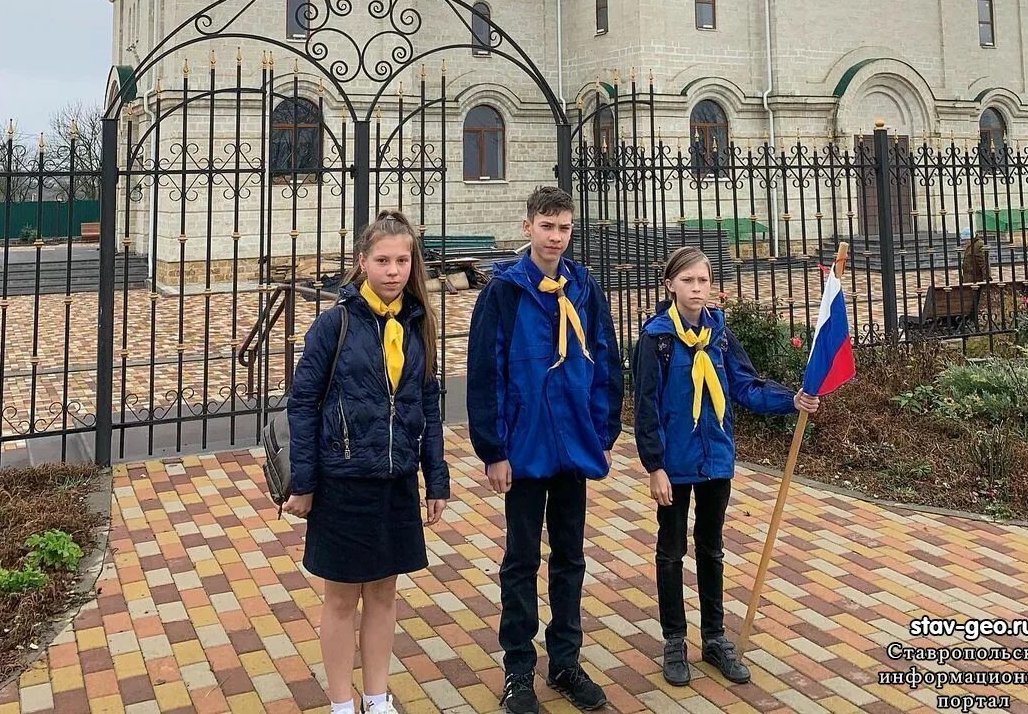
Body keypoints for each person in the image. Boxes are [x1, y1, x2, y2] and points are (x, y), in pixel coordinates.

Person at [285, 210, 450, 714]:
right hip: (344, 481)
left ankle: (377, 697)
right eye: (382, 260)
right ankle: (340, 702)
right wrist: (306, 481)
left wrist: (435, 479)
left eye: (403, 260)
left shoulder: (419, 326)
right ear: (362, 263)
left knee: (382, 594)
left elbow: (429, 403)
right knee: (340, 598)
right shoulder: (334, 325)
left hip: (396, 480)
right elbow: (303, 403)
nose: (394, 270)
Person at [633, 246, 820, 688]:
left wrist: (790, 400)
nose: (697, 289)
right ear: (670, 286)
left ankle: (714, 638)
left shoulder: (718, 333)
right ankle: (675, 641)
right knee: (671, 550)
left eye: (703, 280)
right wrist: (654, 466)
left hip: (716, 458)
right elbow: (645, 408)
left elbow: (744, 385)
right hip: (675, 465)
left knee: (712, 548)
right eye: (688, 281)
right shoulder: (657, 339)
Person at [467, 186, 623, 714]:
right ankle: (518, 669)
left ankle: (564, 661)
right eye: (547, 226)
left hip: (574, 445)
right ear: (529, 225)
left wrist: (601, 431)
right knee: (521, 558)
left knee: (571, 556)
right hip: (526, 447)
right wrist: (493, 448)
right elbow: (486, 372)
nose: (556, 237)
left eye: (564, 228)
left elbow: (605, 359)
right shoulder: (505, 292)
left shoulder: (584, 286)